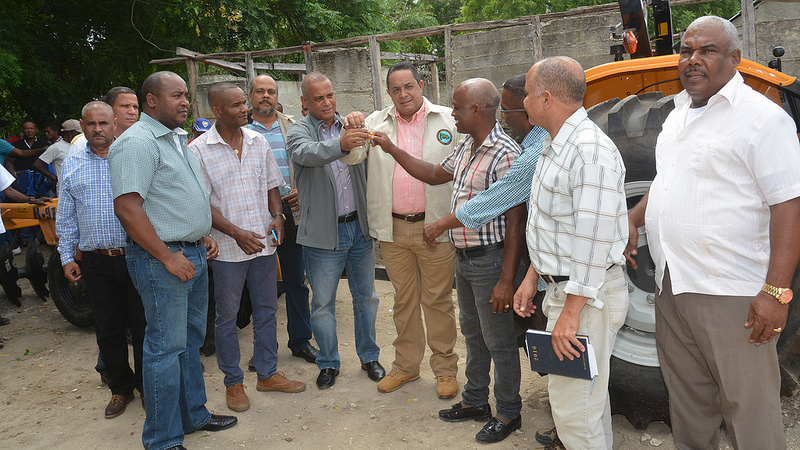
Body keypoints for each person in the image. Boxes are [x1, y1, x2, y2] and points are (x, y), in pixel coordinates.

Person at [625, 16, 800, 449]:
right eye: (686, 51)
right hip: (673, 287)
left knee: (749, 411)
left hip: (731, 294)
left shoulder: (762, 120)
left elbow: (788, 206)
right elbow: (668, 180)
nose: (693, 60)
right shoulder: (678, 114)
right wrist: (634, 218)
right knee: (689, 407)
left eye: (708, 51)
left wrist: (776, 293)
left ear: (735, 59)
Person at [374, 78, 526, 444]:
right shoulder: (466, 146)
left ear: (476, 111)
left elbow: (516, 221)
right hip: (465, 259)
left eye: (457, 108)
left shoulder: (505, 153)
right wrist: (392, 149)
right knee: (474, 335)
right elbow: (431, 173)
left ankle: (508, 411)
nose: (453, 114)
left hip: (490, 262)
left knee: (499, 341)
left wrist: (507, 278)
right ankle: (476, 400)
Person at [109, 71, 237, 450]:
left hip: (192, 251)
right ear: (151, 101)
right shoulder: (137, 143)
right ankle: (163, 440)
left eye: (186, 96)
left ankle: (193, 415)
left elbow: (180, 198)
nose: (185, 102)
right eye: (176, 96)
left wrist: (203, 235)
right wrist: (167, 256)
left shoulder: (178, 140)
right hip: (161, 260)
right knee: (165, 348)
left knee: (190, 341)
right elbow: (128, 209)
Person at [512, 56, 629, 450]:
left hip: (585, 299)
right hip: (566, 292)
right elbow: (553, 224)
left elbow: (592, 241)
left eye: (527, 95)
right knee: (586, 406)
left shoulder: (588, 151)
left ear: (545, 97)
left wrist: (572, 313)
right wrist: (532, 277)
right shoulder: (554, 144)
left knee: (574, 414)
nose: (523, 103)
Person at [341, 62, 460, 399]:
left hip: (435, 227)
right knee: (404, 301)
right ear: (389, 92)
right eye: (396, 89)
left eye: (409, 86)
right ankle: (407, 367)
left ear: (421, 85)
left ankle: (445, 371)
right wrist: (348, 128)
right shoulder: (376, 123)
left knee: (437, 301)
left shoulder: (449, 120)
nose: (403, 94)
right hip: (393, 229)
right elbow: (350, 158)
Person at [190, 82, 305, 412]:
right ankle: (233, 383)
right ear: (218, 111)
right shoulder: (199, 151)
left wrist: (278, 215)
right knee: (227, 318)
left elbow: (272, 184)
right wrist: (236, 233)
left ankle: (267, 374)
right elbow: (202, 204)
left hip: (264, 246)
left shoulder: (258, 142)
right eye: (239, 104)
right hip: (227, 250)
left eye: (245, 103)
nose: (246, 109)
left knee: (267, 311)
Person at [286, 72, 385, 390]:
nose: (327, 102)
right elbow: (307, 154)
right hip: (322, 235)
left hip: (359, 229)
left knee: (367, 298)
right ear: (305, 102)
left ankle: (369, 357)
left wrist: (355, 130)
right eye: (318, 98)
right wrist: (340, 144)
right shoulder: (298, 132)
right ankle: (328, 362)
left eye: (330, 95)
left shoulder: (351, 125)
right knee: (323, 304)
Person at [55, 101, 147, 420]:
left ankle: (148, 387)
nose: (98, 129)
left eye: (104, 123)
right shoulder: (72, 163)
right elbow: (65, 217)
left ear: (114, 123)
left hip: (136, 255)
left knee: (144, 325)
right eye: (91, 124)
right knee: (107, 329)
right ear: (82, 125)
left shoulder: (132, 154)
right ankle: (121, 389)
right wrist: (67, 257)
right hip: (96, 261)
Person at [247, 74, 319, 365]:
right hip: (255, 215)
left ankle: (300, 341)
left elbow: (312, 163)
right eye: (260, 91)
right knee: (260, 285)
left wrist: (304, 190)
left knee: (296, 280)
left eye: (271, 91)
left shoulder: (291, 125)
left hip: (293, 211)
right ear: (250, 96)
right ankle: (263, 350)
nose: (266, 96)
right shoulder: (239, 129)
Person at [34, 119, 81, 184]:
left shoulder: (79, 145)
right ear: (70, 132)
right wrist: (55, 178)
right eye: (78, 133)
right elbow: (38, 165)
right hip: (64, 189)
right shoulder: (56, 147)